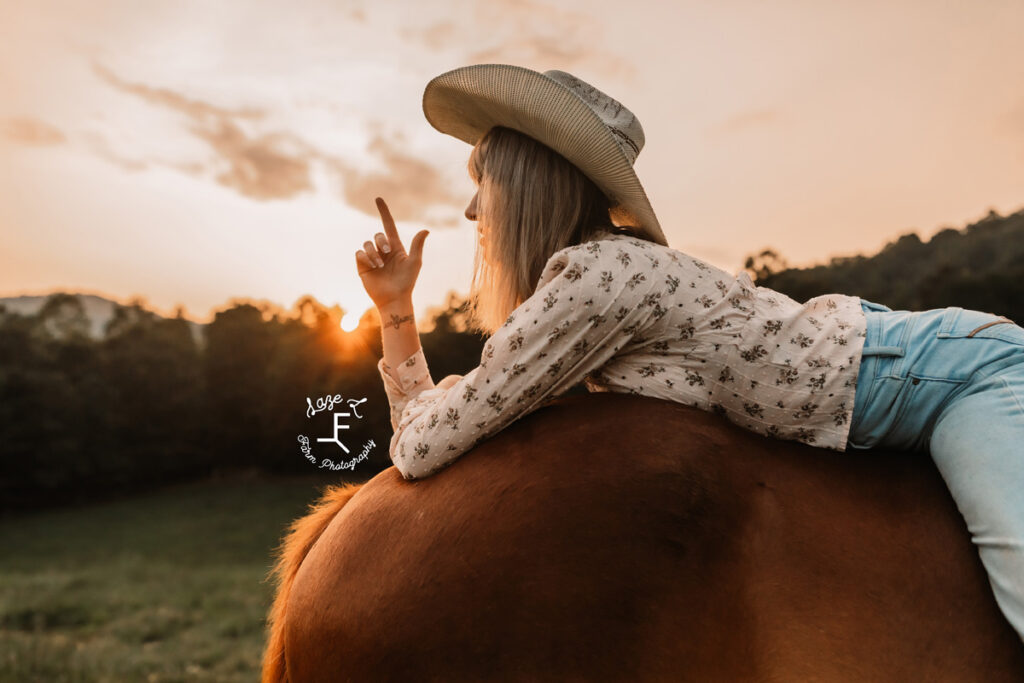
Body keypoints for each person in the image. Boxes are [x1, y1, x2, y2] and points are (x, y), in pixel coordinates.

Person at [354, 64, 1024, 643]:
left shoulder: (596, 279)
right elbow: (441, 427)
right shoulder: (594, 273)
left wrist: (398, 321)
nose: (473, 211)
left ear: (530, 185)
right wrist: (394, 310)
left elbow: (423, 443)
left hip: (960, 373)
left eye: (486, 180)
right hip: (902, 366)